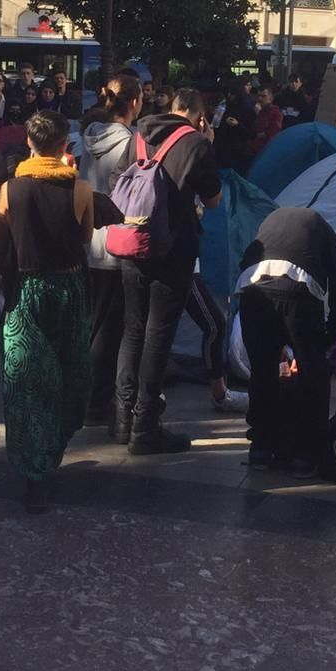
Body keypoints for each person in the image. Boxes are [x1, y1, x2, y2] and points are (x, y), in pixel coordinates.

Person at [0, 110, 96, 512]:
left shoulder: (7, 190)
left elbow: (1, 244)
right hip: (68, 289)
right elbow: (83, 239)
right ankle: (50, 453)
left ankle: (33, 469)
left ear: (28, 145)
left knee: (26, 381)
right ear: (65, 146)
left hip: (25, 289)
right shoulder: (80, 190)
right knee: (68, 375)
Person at [113, 88, 222, 454]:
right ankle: (145, 427)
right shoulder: (196, 143)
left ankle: (123, 418)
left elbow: (119, 178)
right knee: (158, 335)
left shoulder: (139, 133)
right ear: (198, 115)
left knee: (132, 330)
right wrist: (207, 142)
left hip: (132, 244)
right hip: (172, 251)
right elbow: (213, 198)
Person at [235, 206, 336, 478]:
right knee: (314, 374)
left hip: (252, 288)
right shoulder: (327, 234)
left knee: (263, 371)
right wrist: (324, 341)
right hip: (298, 290)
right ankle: (306, 455)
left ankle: (262, 448)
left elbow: (249, 257)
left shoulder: (271, 219)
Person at [80, 76, 144, 425]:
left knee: (95, 323)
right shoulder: (131, 143)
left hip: (91, 241)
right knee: (113, 329)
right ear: (134, 102)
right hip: (119, 241)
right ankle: (99, 401)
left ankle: (91, 395)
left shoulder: (86, 139)